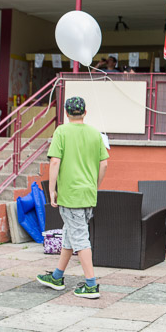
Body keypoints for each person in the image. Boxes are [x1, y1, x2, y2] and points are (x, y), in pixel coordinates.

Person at [36, 96, 109, 298]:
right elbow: (104, 164)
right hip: (87, 194)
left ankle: (91, 285)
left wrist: (52, 190)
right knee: (69, 233)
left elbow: (54, 162)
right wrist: (94, 185)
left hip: (70, 195)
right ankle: (57, 276)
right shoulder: (95, 134)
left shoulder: (61, 131)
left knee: (79, 238)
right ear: (85, 112)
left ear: (66, 114)